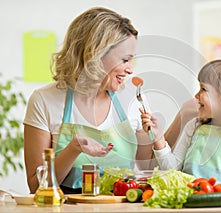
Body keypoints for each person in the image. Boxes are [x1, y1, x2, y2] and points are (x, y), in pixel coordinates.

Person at [23, 7, 152, 194]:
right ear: (95, 55)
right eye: (124, 60)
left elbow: (146, 166)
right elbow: (36, 185)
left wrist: (159, 133)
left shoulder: (133, 99)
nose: (131, 69)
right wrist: (73, 148)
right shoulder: (44, 100)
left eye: (131, 60)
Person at [140, 59, 221, 186]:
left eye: (203, 89)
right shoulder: (194, 126)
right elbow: (172, 170)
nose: (196, 95)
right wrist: (158, 138)